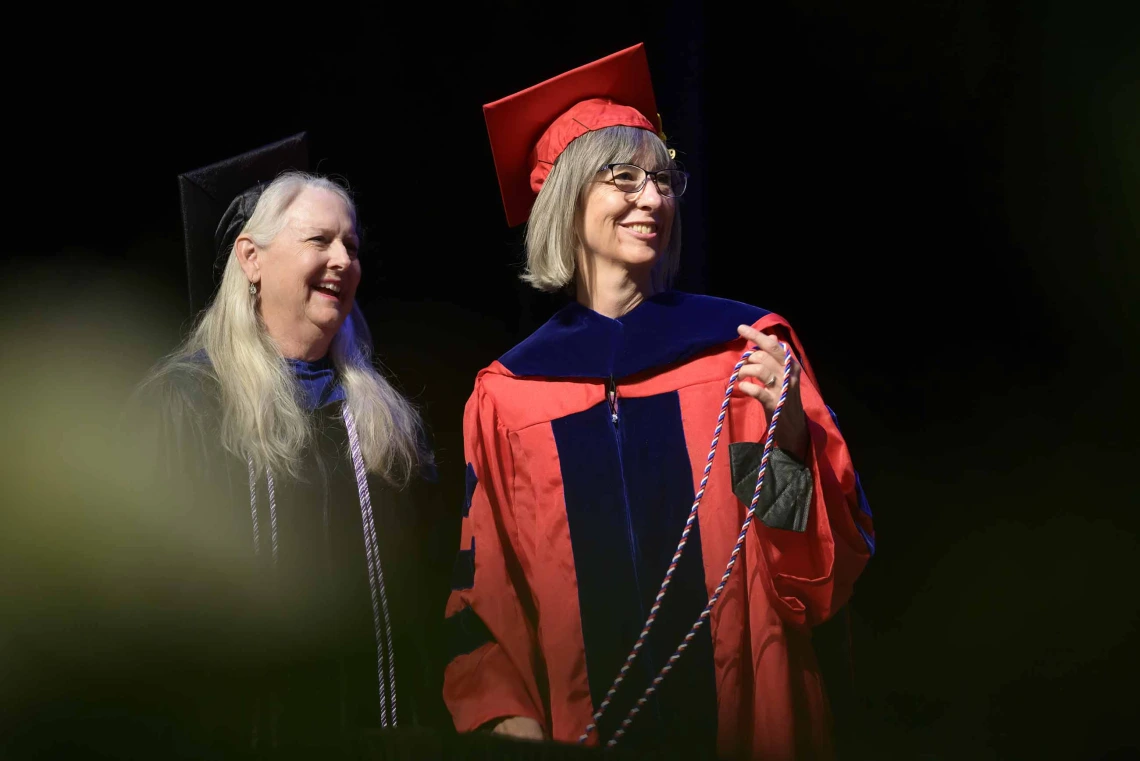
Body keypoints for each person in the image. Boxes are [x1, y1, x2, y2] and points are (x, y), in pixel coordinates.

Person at [442, 45, 875, 760]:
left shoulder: (740, 354)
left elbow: (806, 579)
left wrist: (790, 436)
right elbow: (489, 590)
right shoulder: (509, 397)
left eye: (663, 180)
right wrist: (504, 716)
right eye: (624, 179)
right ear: (565, 197)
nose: (653, 198)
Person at [128, 134, 451, 756]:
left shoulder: (384, 423)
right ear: (251, 257)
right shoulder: (187, 405)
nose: (342, 259)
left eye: (351, 246)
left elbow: (428, 593)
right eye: (319, 241)